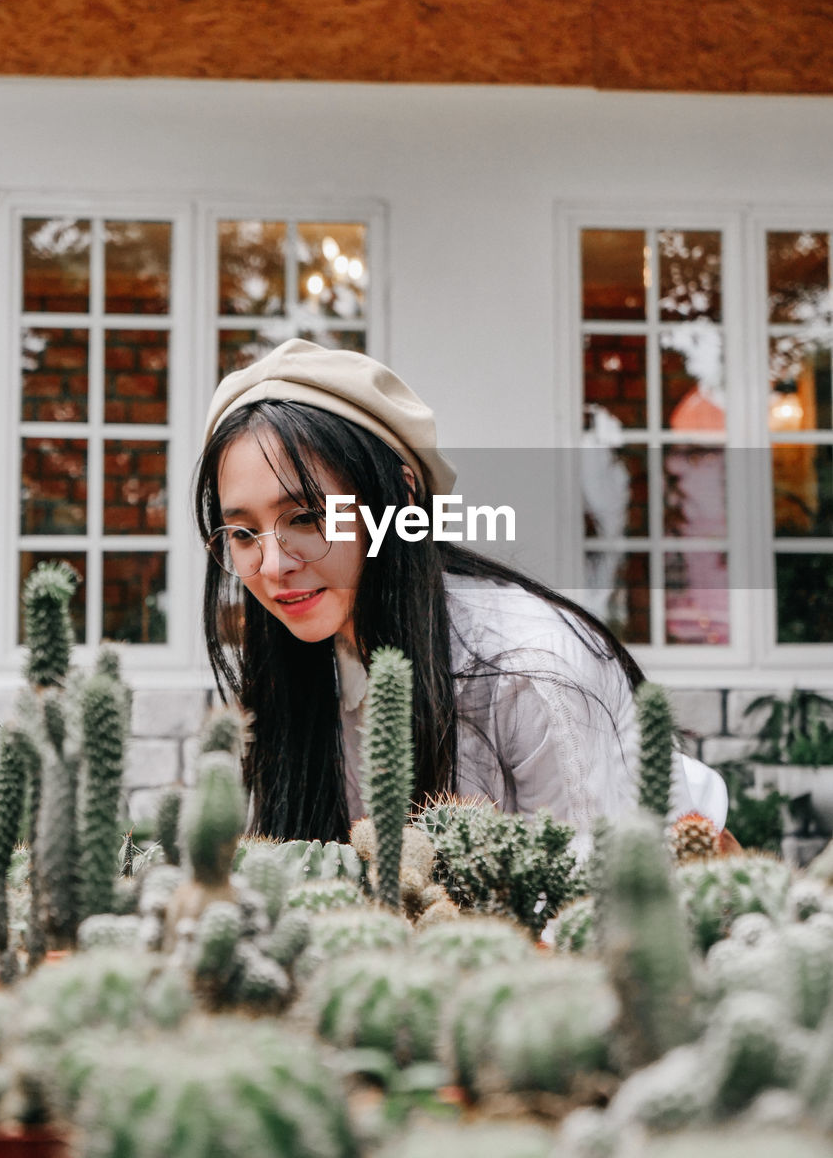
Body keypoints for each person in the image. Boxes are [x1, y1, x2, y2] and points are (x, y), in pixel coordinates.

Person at [196, 338, 727, 851]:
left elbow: (592, 911)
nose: (272, 566)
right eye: (243, 533)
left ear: (401, 499)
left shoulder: (530, 672)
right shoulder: (301, 662)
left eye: (307, 518)